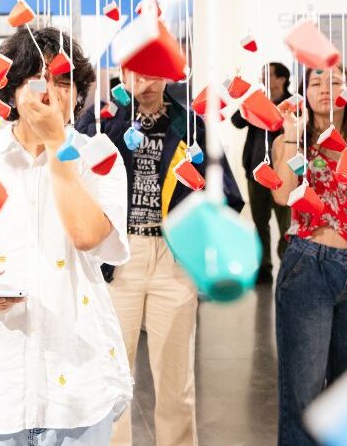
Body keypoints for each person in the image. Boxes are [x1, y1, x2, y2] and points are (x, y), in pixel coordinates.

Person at [0, 27, 132, 445]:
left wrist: (58, 144)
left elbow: (86, 234)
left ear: (79, 94)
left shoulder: (100, 155)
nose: (50, 93)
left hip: (76, 383)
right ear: (12, 90)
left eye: (63, 81)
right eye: (38, 79)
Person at [75, 67, 244, 446]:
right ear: (122, 73)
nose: (146, 84)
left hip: (173, 257)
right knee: (112, 380)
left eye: (154, 74)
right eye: (136, 74)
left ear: (168, 76)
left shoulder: (190, 124)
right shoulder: (103, 119)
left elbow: (227, 192)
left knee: (176, 381)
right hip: (118, 256)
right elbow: (75, 175)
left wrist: (197, 240)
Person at [270, 67, 347, 446]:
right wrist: (293, 136)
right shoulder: (290, 143)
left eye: (336, 81)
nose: (326, 89)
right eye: (316, 82)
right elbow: (282, 196)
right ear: (304, 93)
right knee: (303, 392)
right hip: (309, 265)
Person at [231, 62, 293, 284]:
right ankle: (263, 267)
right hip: (255, 170)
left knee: (286, 224)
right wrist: (252, 101)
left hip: (283, 172)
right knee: (259, 222)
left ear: (282, 79)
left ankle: (287, 265)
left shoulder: (292, 103)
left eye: (268, 74)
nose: (263, 78)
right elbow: (236, 122)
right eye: (262, 73)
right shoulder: (257, 101)